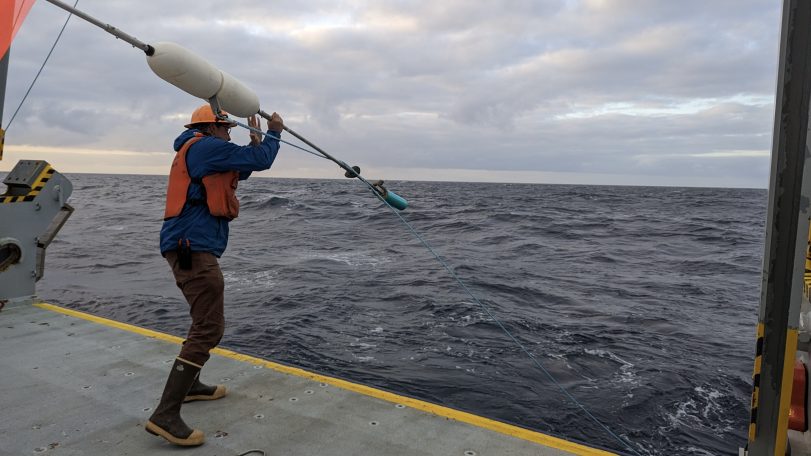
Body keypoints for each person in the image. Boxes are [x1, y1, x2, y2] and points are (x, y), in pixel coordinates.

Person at [145, 104, 284, 446]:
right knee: (209, 326)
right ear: (212, 128)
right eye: (226, 129)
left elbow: (244, 169)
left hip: (190, 245)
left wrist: (255, 144)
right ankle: (165, 415)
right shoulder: (205, 146)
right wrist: (274, 132)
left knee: (202, 323)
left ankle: (191, 386)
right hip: (192, 248)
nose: (229, 134)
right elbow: (261, 161)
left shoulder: (200, 148)